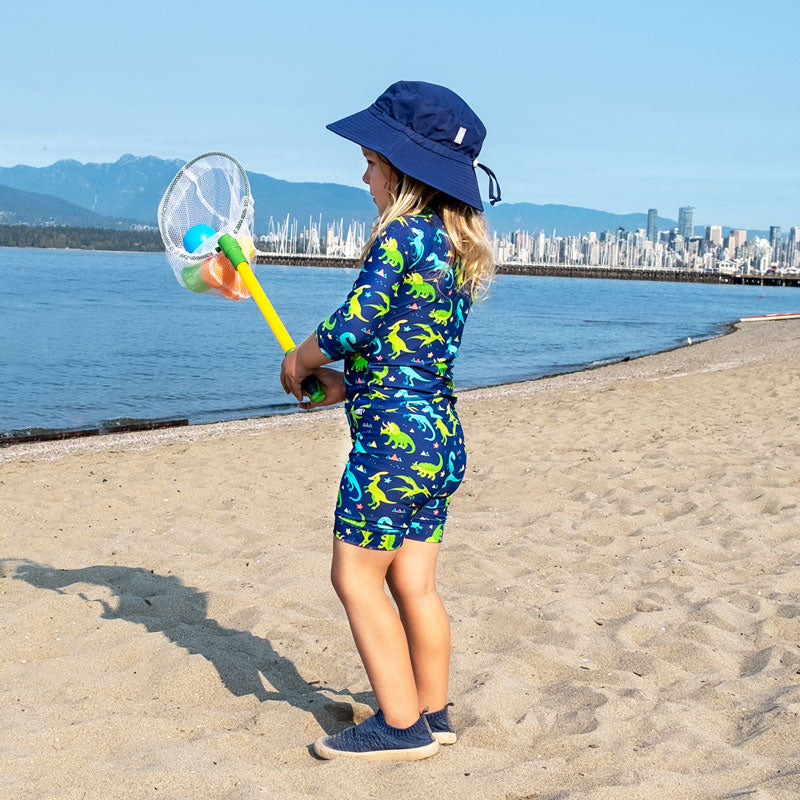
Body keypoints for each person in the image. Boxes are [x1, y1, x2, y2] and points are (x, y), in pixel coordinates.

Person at [280, 80, 500, 761]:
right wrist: (340, 386)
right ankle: (432, 712)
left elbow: (356, 322)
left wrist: (300, 358)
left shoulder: (401, 233)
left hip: (391, 448)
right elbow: (406, 357)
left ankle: (399, 726)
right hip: (438, 438)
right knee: (415, 583)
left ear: (402, 173)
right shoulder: (454, 248)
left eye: (372, 163)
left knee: (355, 578)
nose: (364, 174)